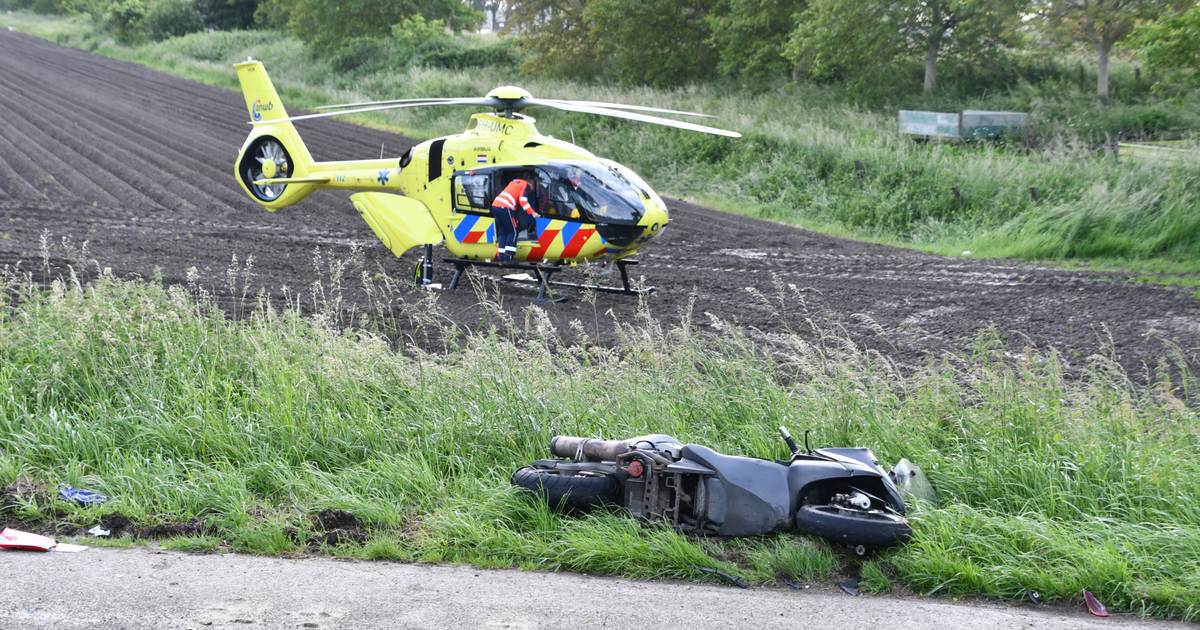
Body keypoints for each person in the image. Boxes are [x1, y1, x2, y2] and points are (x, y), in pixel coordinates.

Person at [490, 176, 539, 262]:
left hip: (495, 206)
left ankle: (501, 257)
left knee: (503, 232)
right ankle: (509, 257)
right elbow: (523, 200)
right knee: (514, 231)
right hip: (505, 207)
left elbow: (513, 196)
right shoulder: (526, 185)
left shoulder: (514, 182)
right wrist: (533, 213)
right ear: (532, 184)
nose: (532, 190)